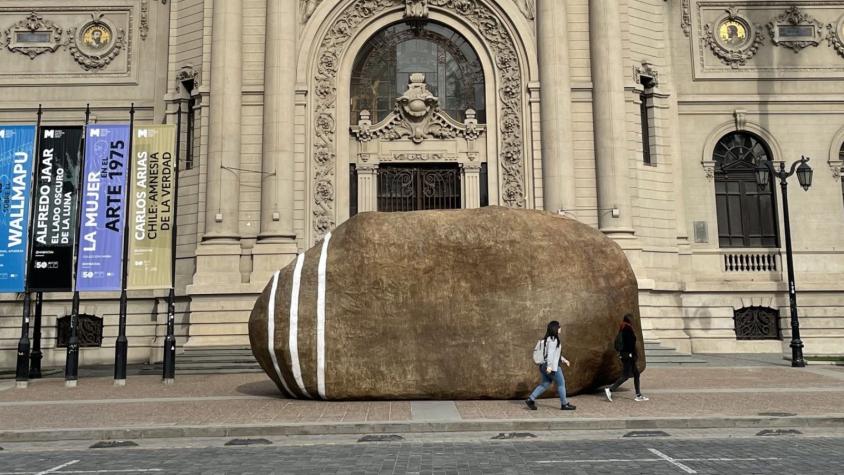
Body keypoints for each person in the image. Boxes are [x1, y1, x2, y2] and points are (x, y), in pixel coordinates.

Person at [525, 320, 576, 411]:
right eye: (559, 327)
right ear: (555, 328)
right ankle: (564, 404)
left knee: (545, 384)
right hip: (551, 366)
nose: (560, 328)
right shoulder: (553, 340)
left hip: (543, 366)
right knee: (561, 383)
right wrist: (549, 366)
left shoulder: (547, 339)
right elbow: (551, 354)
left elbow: (556, 354)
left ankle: (530, 399)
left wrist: (564, 360)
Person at [604, 314, 648, 402]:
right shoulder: (628, 330)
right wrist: (633, 355)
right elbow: (629, 345)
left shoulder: (623, 328)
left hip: (625, 355)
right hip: (628, 356)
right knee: (625, 375)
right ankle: (610, 389)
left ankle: (638, 394)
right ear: (630, 321)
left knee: (636, 374)